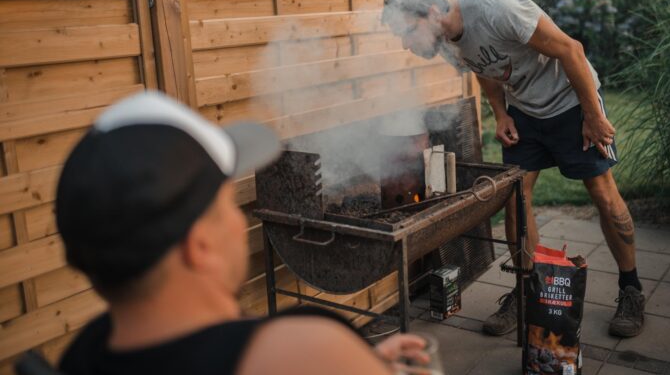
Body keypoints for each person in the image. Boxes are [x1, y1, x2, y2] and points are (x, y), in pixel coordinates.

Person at [55, 91, 427, 375]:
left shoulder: (81, 352)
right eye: (228, 205)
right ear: (198, 245)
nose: (238, 221)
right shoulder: (303, 351)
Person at [381, 0, 645, 338]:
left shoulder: (495, 8)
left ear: (431, 13)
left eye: (407, 31)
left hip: (570, 101)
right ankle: (525, 290)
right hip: (525, 113)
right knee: (516, 198)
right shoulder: (444, 41)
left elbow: (571, 49)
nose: (404, 44)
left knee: (601, 191)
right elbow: (481, 68)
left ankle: (631, 290)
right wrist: (501, 114)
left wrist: (592, 115)